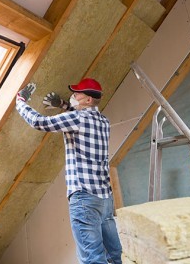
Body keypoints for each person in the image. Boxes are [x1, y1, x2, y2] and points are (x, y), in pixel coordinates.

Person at [15, 78, 123, 264]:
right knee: (113, 255)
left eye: (78, 93)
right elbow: (79, 119)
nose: (74, 95)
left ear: (88, 100)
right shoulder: (104, 121)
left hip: (84, 199)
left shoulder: (77, 119)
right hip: (104, 199)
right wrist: (63, 104)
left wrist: (20, 102)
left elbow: (39, 122)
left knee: (92, 259)